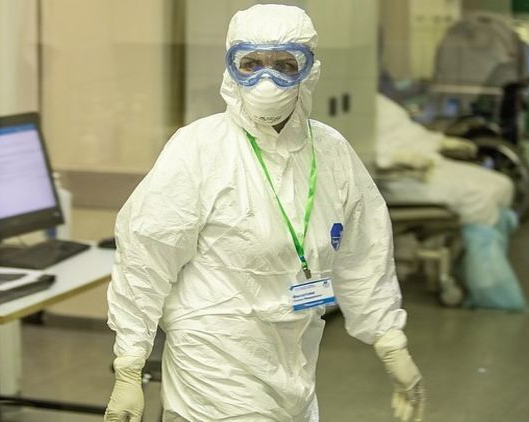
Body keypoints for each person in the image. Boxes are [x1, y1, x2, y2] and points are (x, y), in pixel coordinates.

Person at [104, 5, 425, 421]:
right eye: (251, 64)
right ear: (231, 69)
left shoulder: (331, 152)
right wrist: (129, 365)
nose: (266, 80)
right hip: (212, 362)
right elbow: (146, 257)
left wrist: (391, 342)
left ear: (309, 70)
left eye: (285, 64)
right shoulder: (199, 148)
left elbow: (364, 253)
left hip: (294, 359)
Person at [375, 93, 526, 310]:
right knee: (480, 197)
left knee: (502, 185)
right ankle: (485, 283)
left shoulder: (377, 101)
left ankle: (472, 261)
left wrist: (440, 142)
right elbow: (362, 149)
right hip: (397, 177)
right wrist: (396, 159)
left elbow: (407, 133)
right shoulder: (354, 105)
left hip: (425, 166)